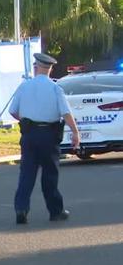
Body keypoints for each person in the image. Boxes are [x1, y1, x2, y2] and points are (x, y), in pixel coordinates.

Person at [8, 53, 80, 225]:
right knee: (50, 174)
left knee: (27, 174)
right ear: (50, 69)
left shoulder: (24, 87)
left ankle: (21, 209)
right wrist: (75, 133)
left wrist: (27, 121)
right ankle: (55, 211)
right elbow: (65, 113)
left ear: (35, 67)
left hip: (29, 135)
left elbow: (12, 110)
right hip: (49, 135)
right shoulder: (55, 88)